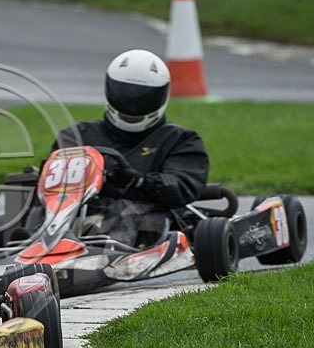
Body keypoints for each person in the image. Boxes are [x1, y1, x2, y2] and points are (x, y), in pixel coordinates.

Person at [44, 48, 210, 247]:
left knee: (123, 210)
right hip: (71, 213)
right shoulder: (77, 136)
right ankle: (18, 247)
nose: (132, 104)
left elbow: (181, 186)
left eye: (143, 97)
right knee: (23, 207)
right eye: (125, 93)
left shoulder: (179, 140)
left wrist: (138, 181)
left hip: (144, 214)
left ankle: (95, 252)